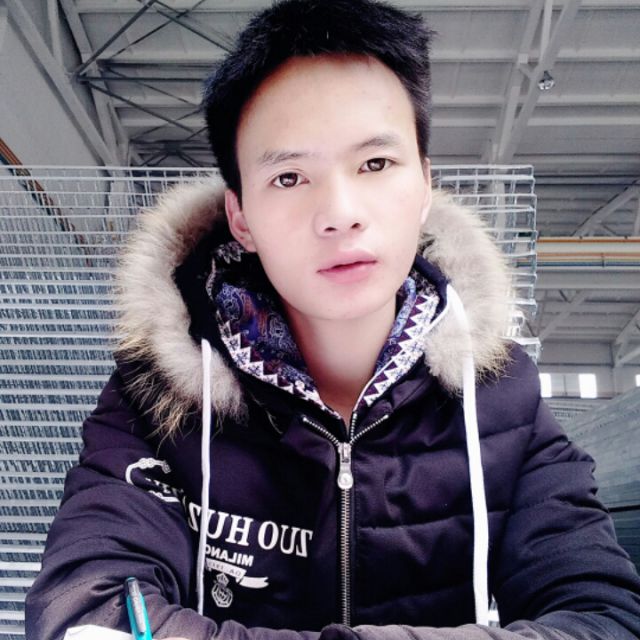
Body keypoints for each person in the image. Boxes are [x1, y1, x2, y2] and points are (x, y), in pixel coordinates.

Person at [25, 0, 640, 639]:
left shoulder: (502, 399)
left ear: (424, 186)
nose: (340, 213)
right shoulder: (156, 400)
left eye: (375, 164)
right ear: (241, 217)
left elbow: (604, 618)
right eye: (290, 177)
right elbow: (89, 611)